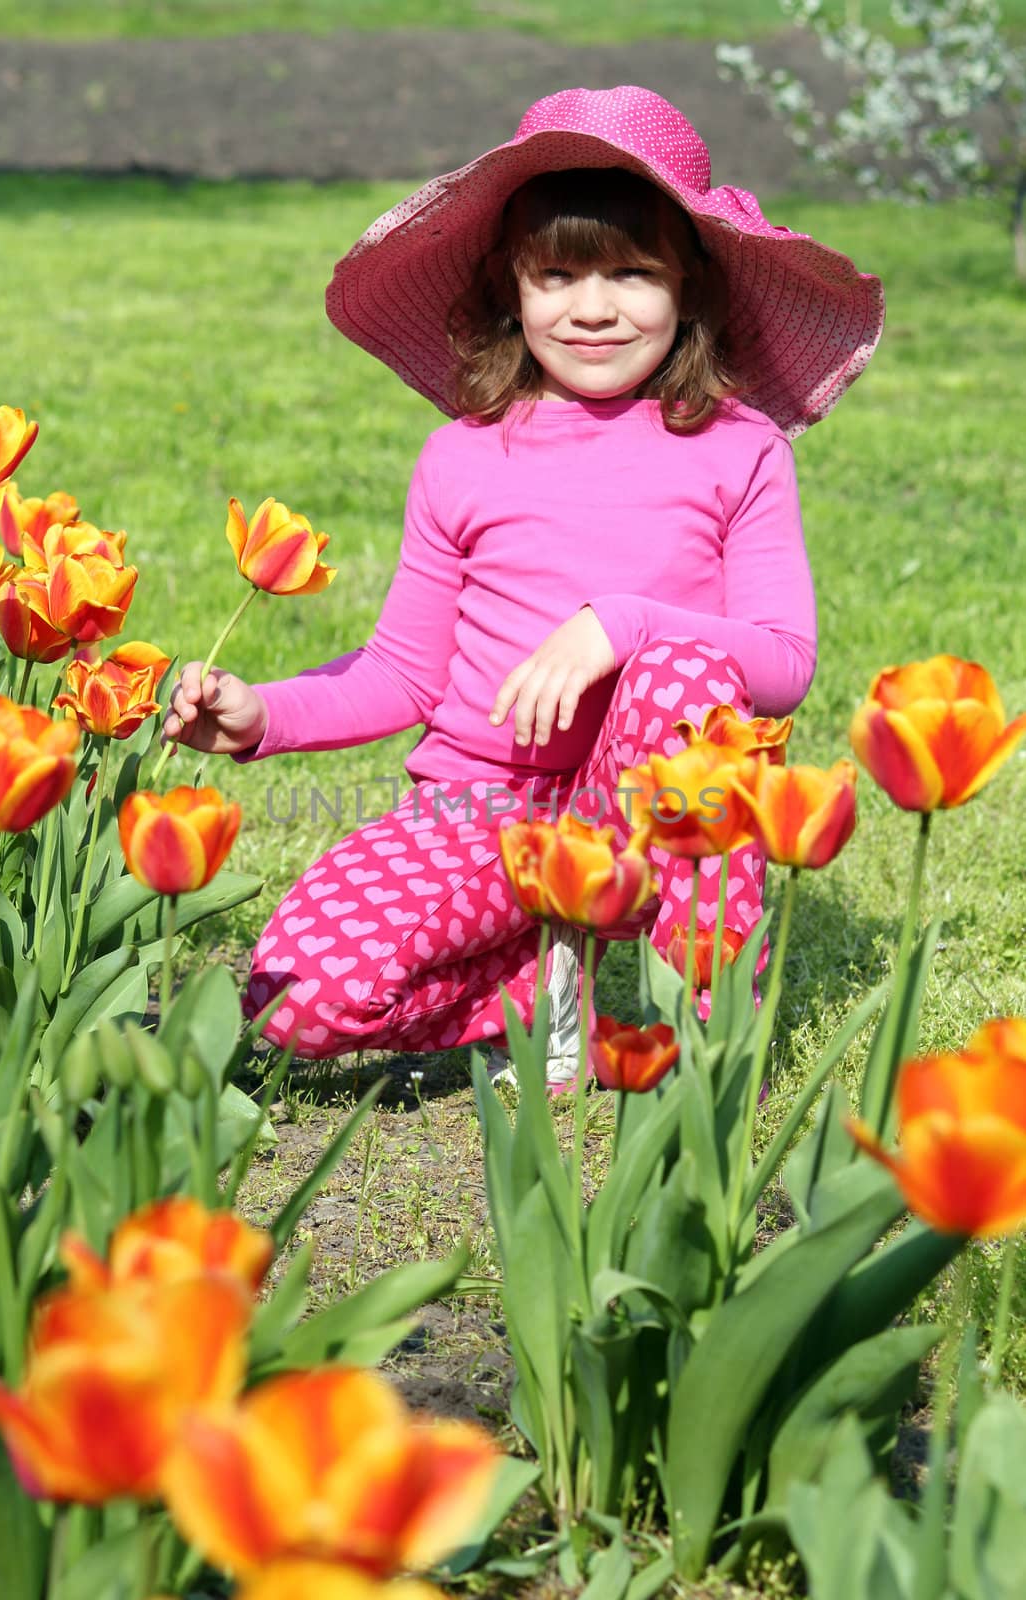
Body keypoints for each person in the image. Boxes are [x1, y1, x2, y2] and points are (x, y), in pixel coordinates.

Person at [161, 85, 884, 1088]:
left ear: (690, 287)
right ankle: (541, 983)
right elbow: (401, 675)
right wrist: (258, 718)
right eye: (558, 275)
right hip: (481, 801)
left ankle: (704, 1047)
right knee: (297, 993)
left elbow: (782, 662)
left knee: (683, 669)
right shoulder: (462, 458)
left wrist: (618, 625)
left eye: (632, 274)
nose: (593, 308)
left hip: (647, 807)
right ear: (511, 287)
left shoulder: (736, 449)